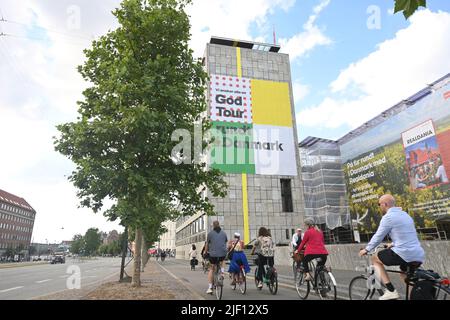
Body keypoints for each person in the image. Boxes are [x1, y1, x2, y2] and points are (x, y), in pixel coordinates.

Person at [359, 194, 425, 300]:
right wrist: (393, 244)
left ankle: (390, 291)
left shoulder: (388, 217)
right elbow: (407, 234)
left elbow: (378, 236)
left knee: (375, 258)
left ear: (385, 204)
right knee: (405, 275)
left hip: (404, 253)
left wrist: (367, 249)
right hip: (418, 253)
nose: (379, 206)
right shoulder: (405, 215)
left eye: (379, 204)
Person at [295, 217, 328, 282]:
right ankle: (321, 283)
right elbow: (322, 242)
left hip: (312, 253)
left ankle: (308, 275)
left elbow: (302, 243)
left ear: (308, 225)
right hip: (323, 253)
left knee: (304, 261)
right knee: (319, 268)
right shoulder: (320, 231)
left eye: (305, 225)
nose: (304, 226)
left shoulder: (308, 232)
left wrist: (297, 251)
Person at [204, 220, 228, 294]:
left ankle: (210, 287)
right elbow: (225, 243)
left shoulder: (210, 234)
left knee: (211, 268)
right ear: (219, 225)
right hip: (223, 254)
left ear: (213, 226)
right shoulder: (224, 233)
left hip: (213, 255)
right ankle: (222, 272)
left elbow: (207, 244)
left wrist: (205, 252)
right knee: (222, 260)